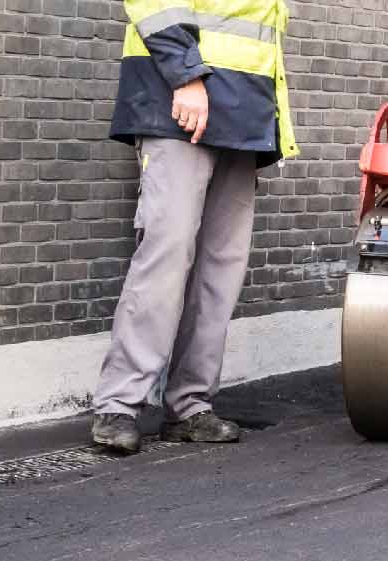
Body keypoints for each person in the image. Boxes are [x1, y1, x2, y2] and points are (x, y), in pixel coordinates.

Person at [90, 0, 298, 454]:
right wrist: (185, 74)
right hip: (181, 102)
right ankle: (120, 403)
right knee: (167, 254)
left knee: (219, 271)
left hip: (243, 112)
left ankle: (190, 406)